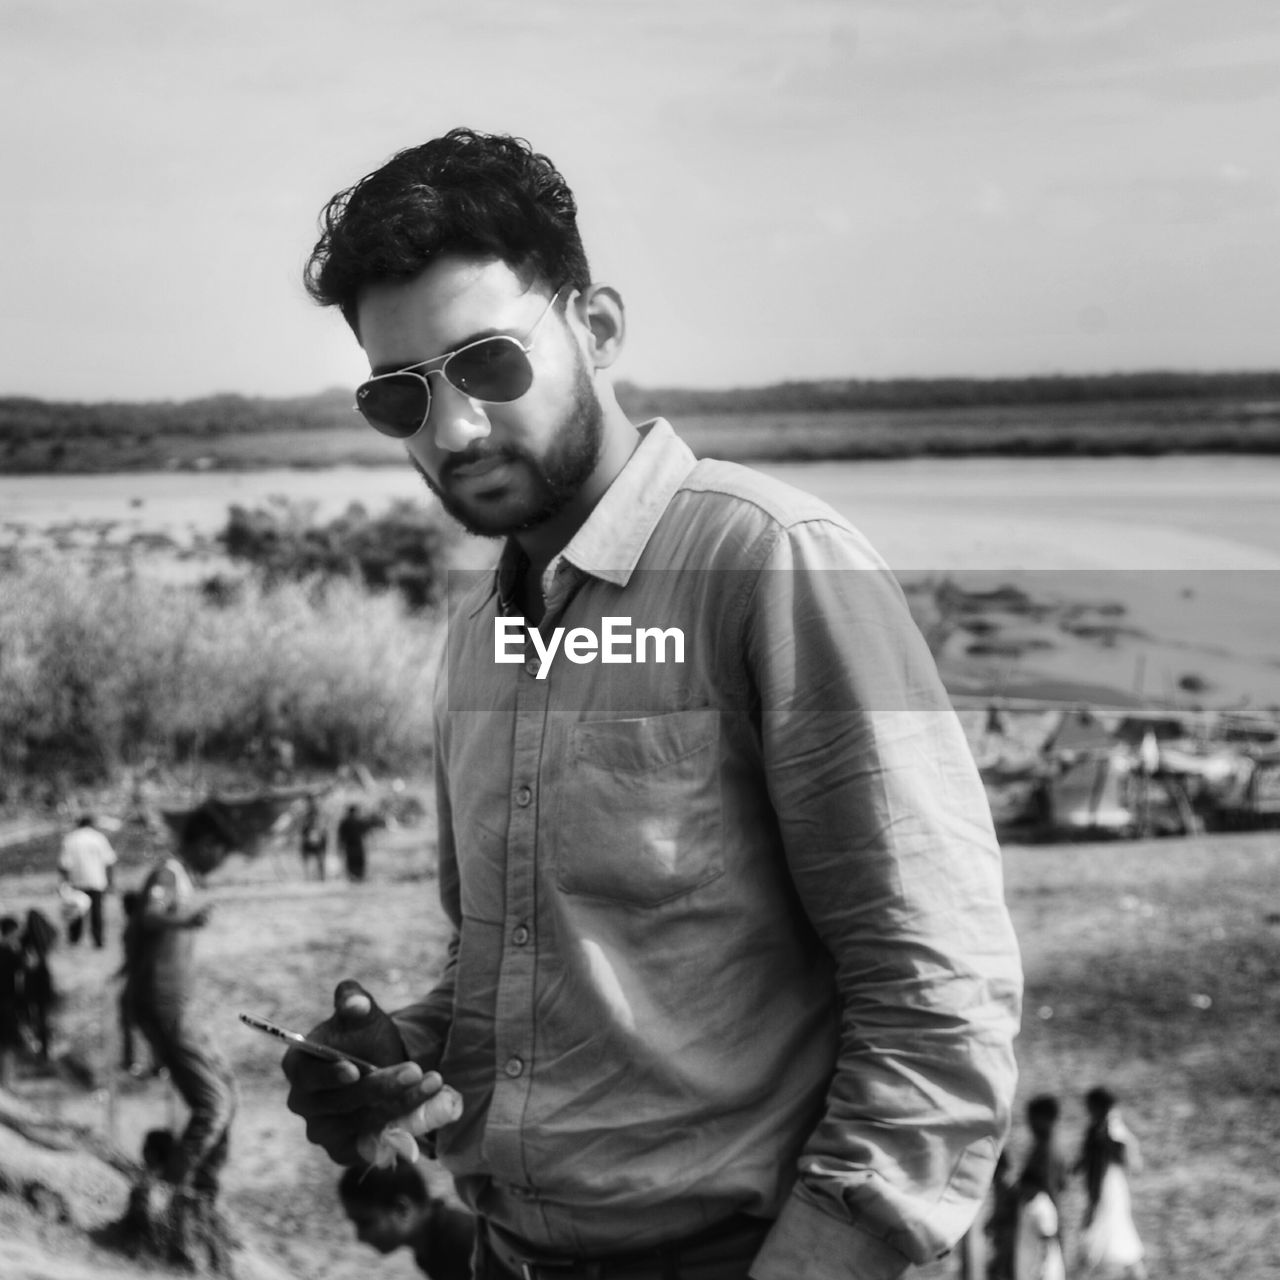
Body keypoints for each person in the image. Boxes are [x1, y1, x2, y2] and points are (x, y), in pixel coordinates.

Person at [280, 128, 1022, 1280]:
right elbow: (521, 956)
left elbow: (936, 990)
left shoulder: (771, 561)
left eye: (487, 363)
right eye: (400, 395)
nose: (453, 429)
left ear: (599, 328)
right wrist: (403, 1055)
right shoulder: (482, 625)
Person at [124, 835, 238, 1225]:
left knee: (227, 1092)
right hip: (166, 1004)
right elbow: (149, 917)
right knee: (214, 1105)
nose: (222, 859)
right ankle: (172, 1195)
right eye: (221, 848)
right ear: (207, 842)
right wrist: (187, 919)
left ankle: (202, 1194)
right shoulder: (168, 874)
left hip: (176, 1005)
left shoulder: (180, 878)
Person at [338, 1159, 476, 1279]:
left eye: (365, 1222)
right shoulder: (430, 1248)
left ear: (402, 1209)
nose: (360, 1237)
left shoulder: (462, 1243)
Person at [1075, 1087, 1146, 1279]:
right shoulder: (1096, 1129)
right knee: (1118, 1238)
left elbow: (1130, 1159)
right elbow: (1086, 1157)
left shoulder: (1112, 1129)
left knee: (1095, 1239)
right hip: (1101, 1191)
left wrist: (1106, 1140)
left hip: (1108, 1193)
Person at [1014, 1096, 1068, 1280]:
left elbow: (1053, 1186)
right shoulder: (1043, 1146)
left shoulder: (1048, 1150)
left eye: (1032, 1117)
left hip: (1043, 1216)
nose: (1030, 1123)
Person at [58, 814, 118, 947]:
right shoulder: (99, 838)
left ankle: (74, 940)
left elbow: (63, 864)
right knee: (97, 912)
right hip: (96, 881)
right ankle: (98, 940)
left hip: (76, 882)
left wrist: (64, 883)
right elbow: (109, 861)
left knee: (76, 911)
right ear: (91, 823)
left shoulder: (70, 839)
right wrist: (111, 881)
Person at [20, 907, 58, 1063]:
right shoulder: (46, 937)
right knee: (43, 1017)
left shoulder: (26, 940)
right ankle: (45, 1049)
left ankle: (32, 1046)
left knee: (30, 1016)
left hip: (31, 982)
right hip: (45, 981)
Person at [0, 915, 25, 1087]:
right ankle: (7, 1082)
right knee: (7, 1043)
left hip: (6, 1003)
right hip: (7, 1004)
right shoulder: (12, 954)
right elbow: (27, 970)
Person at [336, 804, 382, 883]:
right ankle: (357, 876)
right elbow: (367, 831)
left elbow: (341, 835)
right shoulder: (357, 821)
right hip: (356, 844)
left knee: (353, 860)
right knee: (357, 860)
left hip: (351, 845)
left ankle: (354, 876)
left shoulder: (346, 821)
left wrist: (340, 845)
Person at [299, 795, 329, 881]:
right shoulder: (305, 815)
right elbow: (303, 828)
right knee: (309, 859)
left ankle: (321, 877)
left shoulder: (319, 814)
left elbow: (322, 827)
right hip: (309, 839)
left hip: (318, 839)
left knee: (320, 858)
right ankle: (309, 877)